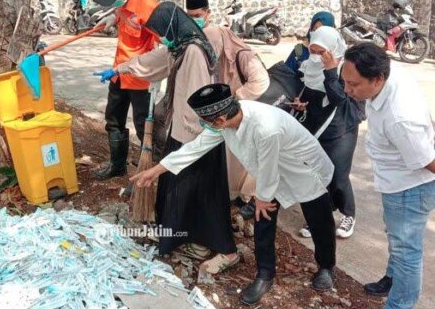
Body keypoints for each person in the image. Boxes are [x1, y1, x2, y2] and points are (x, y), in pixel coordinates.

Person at [131, 83, 337, 305]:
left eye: (206, 122)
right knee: (263, 219)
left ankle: (326, 266)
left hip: (303, 169)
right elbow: (196, 147)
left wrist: (262, 198)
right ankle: (265, 274)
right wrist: (156, 170)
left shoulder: (265, 128)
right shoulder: (227, 120)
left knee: (319, 219)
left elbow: (269, 169)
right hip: (271, 171)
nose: (204, 126)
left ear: (219, 120)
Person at [96, 2, 239, 274]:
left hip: (196, 136)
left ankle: (213, 244)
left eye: (161, 31)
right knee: (178, 190)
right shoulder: (181, 46)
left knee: (201, 195)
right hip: (180, 130)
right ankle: (182, 236)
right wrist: (120, 69)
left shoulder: (195, 51)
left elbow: (198, 98)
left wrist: (191, 136)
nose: (161, 37)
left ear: (173, 25)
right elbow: (154, 61)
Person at [341, 43, 435, 309]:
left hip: (409, 189)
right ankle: (392, 278)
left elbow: (428, 161)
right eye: (345, 81)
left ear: (377, 79)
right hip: (395, 181)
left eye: (354, 84)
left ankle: (399, 304)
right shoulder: (389, 76)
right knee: (396, 237)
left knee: (407, 252)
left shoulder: (399, 118)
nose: (347, 90)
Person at [187, 0, 270, 218]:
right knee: (229, 156)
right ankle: (231, 194)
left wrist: (234, 99)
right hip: (222, 115)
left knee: (246, 158)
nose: (195, 19)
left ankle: (249, 198)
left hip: (242, 112)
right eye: (190, 16)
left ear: (208, 13)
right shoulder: (202, 45)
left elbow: (261, 80)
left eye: (198, 15)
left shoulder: (238, 51)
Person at [290, 26, 363, 239]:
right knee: (316, 173)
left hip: (342, 128)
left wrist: (331, 70)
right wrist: (300, 104)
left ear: (332, 50)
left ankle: (348, 214)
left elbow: (340, 98)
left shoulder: (345, 69)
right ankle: (319, 217)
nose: (315, 57)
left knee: (339, 174)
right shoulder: (309, 67)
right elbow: (310, 95)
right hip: (316, 125)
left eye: (321, 52)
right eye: (312, 50)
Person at [90, 0, 159, 180]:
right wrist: (112, 18)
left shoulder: (148, 5)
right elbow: (122, 13)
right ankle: (117, 166)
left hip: (140, 77)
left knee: (143, 128)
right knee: (113, 119)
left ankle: (148, 174)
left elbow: (163, 46)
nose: (112, 2)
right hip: (118, 72)